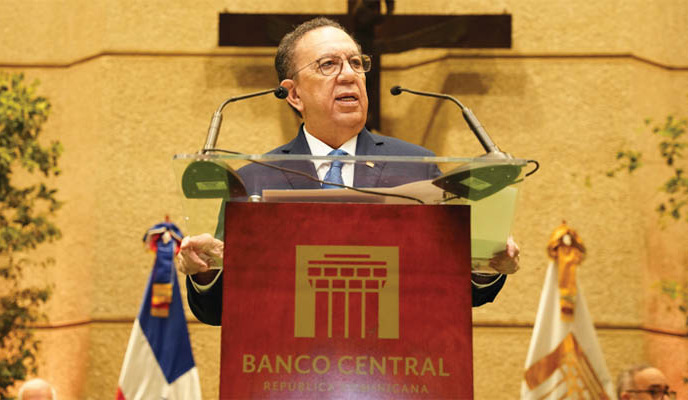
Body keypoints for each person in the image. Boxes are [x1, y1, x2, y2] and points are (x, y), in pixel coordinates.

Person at [176, 17, 520, 326]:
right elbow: (215, 310)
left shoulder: (416, 166)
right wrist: (205, 270)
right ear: (294, 94)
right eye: (328, 64)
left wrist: (484, 265)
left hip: (400, 359)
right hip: (284, 363)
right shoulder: (255, 178)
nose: (349, 74)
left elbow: (460, 289)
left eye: (356, 63)